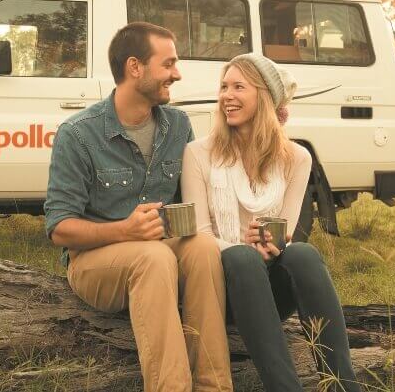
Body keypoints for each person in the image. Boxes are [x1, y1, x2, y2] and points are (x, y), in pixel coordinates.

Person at [44, 22, 233, 392]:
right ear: (135, 67)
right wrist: (123, 231)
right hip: (95, 262)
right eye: (168, 64)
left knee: (203, 248)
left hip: (159, 253)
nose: (177, 74)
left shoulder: (177, 125)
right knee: (154, 257)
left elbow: (200, 193)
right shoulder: (78, 134)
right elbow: (59, 228)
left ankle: (215, 386)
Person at [181, 53, 361, 392]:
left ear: (264, 97)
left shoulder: (296, 157)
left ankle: (342, 385)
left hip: (269, 292)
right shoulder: (198, 153)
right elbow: (200, 235)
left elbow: (285, 234)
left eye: (238, 87)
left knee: (303, 254)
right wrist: (243, 248)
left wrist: (271, 244)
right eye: (223, 87)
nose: (226, 96)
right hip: (219, 292)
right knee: (241, 256)